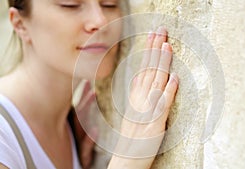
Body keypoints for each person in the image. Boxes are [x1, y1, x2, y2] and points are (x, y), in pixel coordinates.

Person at [0, 0, 178, 169]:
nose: (100, 20)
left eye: (109, 4)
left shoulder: (75, 133)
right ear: (20, 24)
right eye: (71, 5)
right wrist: (127, 159)